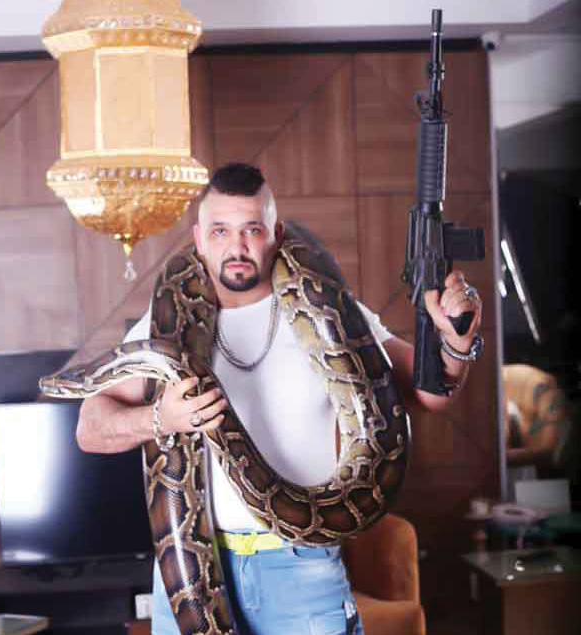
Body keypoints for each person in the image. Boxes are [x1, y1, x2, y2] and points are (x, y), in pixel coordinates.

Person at [76, 163, 483, 635]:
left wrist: (456, 342)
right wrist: (160, 419)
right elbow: (90, 428)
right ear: (200, 239)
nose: (237, 247)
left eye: (252, 229)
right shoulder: (163, 326)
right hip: (189, 567)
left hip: (299, 569)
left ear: (277, 234)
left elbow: (430, 392)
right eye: (221, 231)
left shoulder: (335, 311)